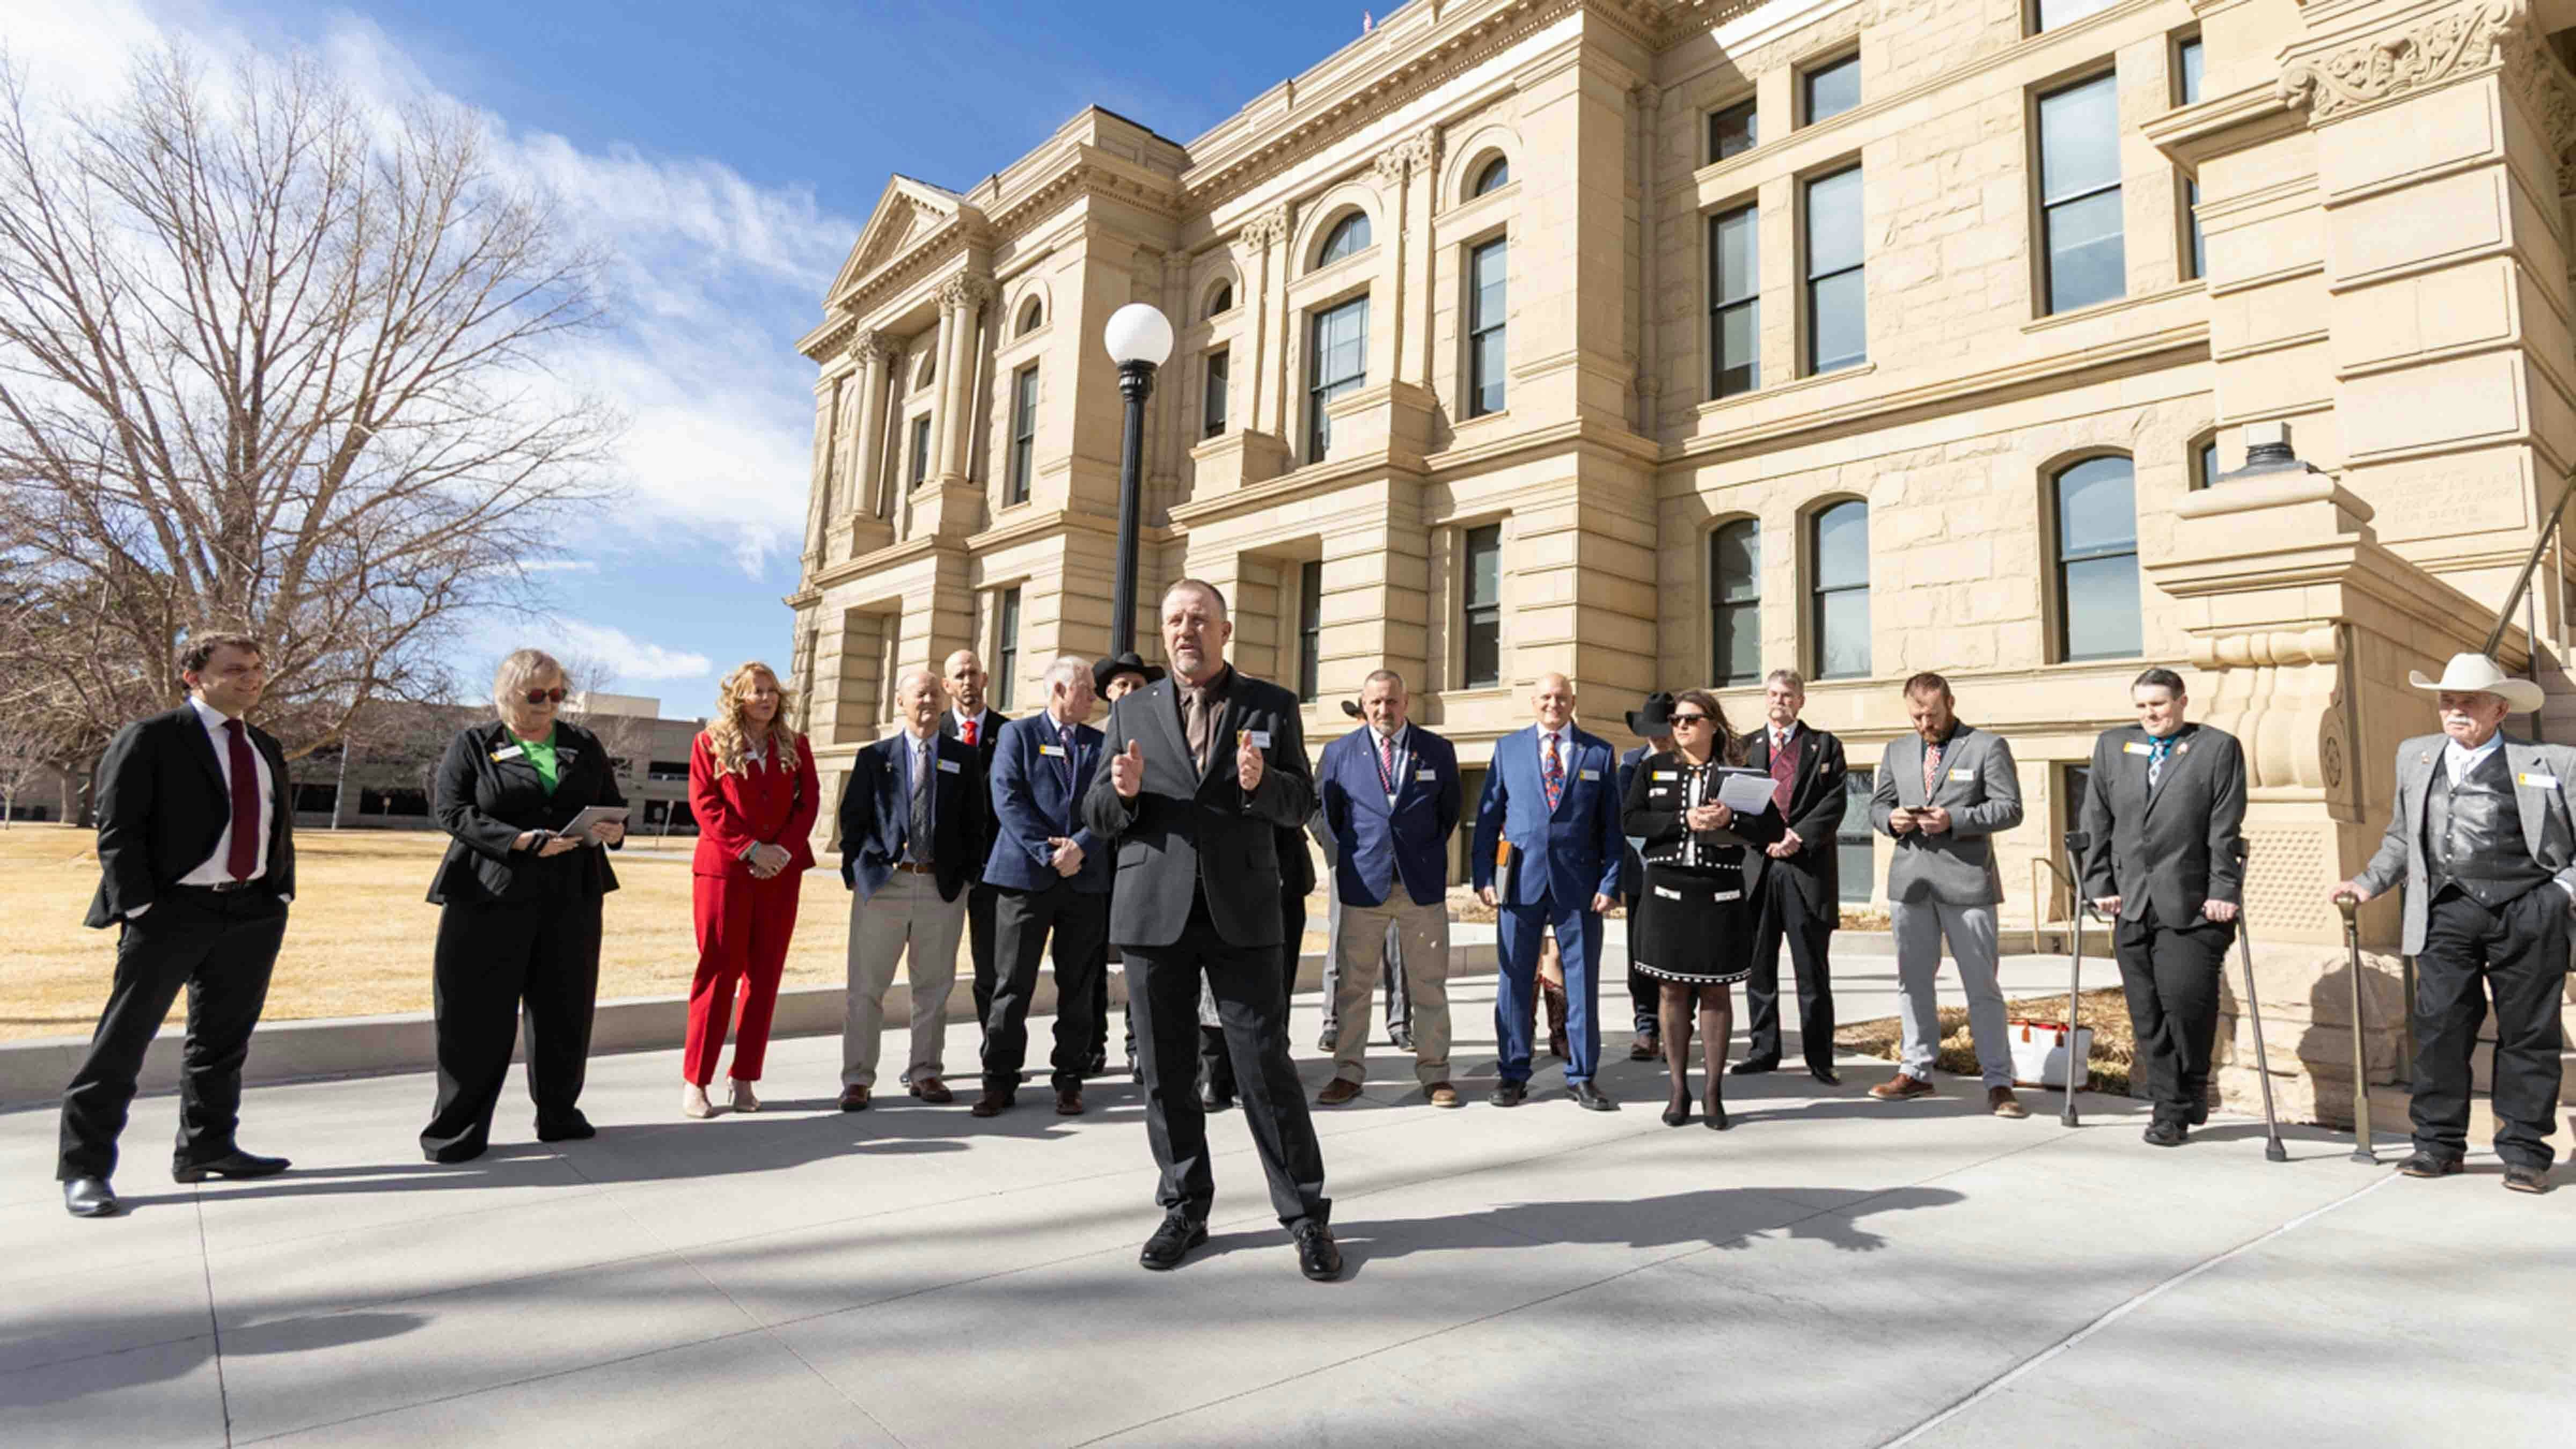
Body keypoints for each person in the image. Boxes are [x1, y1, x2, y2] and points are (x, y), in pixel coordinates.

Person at [1084, 579, 1339, 1280]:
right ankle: (1184, 1208)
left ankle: (1307, 1218)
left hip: (1243, 912)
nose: (1185, 630)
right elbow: (1099, 811)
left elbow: (1300, 803)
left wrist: (1262, 785)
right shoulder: (1131, 708)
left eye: (1199, 619)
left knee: (1265, 1070)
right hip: (1153, 912)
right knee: (1167, 1076)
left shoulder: (1271, 706)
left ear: (1226, 631)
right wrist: (1124, 794)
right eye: (1173, 620)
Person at [58, 632, 296, 1219]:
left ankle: (207, 1147)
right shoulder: (151, 738)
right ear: (193, 677)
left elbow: (274, 826)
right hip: (171, 912)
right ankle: (85, 1168)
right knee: (123, 1041)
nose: (251, 678)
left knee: (222, 1042)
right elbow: (117, 831)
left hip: (251, 912)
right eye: (236, 669)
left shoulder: (264, 745)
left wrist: (279, 893)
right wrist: (141, 907)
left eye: (258, 668)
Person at [2333, 652, 2574, 1195]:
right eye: (2447, 701)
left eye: (2468, 701)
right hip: (2445, 910)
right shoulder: (2415, 756)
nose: (2455, 710)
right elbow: (2402, 837)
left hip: (2529, 910)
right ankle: (2438, 1145)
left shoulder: (2553, 762)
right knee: (2440, 1028)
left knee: (2528, 1036)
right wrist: (2369, 882)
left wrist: (2560, 894)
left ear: (2499, 709)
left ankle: (2525, 1153)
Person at [421, 648, 627, 1162]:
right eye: (537, 695)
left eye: (558, 694)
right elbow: (452, 810)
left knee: (566, 1010)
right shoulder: (474, 744)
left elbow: (614, 804)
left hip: (572, 894)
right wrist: (517, 840)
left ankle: (559, 1114)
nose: (549, 704)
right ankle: (459, 1129)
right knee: (474, 1016)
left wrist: (613, 829)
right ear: (508, 693)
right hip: (490, 893)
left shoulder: (583, 743)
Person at [2079, 668, 2245, 1147]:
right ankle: (2172, 1102)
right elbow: (2097, 819)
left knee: (2186, 1005)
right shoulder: (2114, 747)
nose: (2150, 714)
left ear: (2182, 701)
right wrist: (2099, 883)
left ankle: (2184, 1091)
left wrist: (2223, 891)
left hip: (2193, 904)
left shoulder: (2216, 748)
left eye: (2159, 704)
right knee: (2147, 1013)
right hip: (2131, 901)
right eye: (2142, 706)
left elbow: (2225, 828)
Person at [1867, 672, 2028, 1117]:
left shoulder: (1986, 747)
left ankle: (1998, 1081)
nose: (1925, 724)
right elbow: (1877, 805)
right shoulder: (1896, 751)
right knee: (1913, 982)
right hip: (1911, 884)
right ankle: (1916, 1071)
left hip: (1968, 885)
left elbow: (2009, 807)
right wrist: (1891, 819)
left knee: (1982, 986)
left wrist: (1953, 819)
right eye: (1917, 716)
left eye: (1933, 715)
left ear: (1950, 703)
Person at [1621, 689, 1783, 1128]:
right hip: (1667, 891)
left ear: (1713, 723)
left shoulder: (1738, 776)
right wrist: (1683, 822)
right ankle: (1678, 1089)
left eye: (1691, 719)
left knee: (1716, 990)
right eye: (1676, 720)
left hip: (1720, 891)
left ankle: (1713, 1092)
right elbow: (1631, 820)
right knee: (1671, 991)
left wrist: (1730, 820)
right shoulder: (1653, 768)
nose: (1681, 726)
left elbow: (1771, 827)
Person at [1472, 673, 1626, 1110]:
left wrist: (1610, 883)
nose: (1553, 705)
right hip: (1519, 883)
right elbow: (1487, 818)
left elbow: (1611, 828)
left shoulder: (1598, 752)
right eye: (1545, 697)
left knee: (1580, 983)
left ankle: (1581, 1075)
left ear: (1573, 701)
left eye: (1561, 698)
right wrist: (1483, 875)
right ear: (1533, 702)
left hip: (1580, 887)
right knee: (1514, 982)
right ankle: (1513, 1073)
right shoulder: (1509, 749)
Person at [1315, 670, 1463, 1108]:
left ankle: (1435, 1073)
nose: (1384, 709)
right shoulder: (1339, 753)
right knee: (1354, 986)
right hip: (1362, 886)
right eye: (1376, 702)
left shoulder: (1437, 751)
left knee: (1429, 985)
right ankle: (1348, 1072)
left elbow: (1449, 812)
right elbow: (1323, 812)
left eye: (1392, 701)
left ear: (1406, 702)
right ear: (1364, 704)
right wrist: (1345, 856)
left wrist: (1422, 850)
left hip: (1421, 887)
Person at [838, 669, 983, 1111]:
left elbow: (978, 823)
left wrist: (965, 878)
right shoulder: (873, 757)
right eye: (919, 693)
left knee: (934, 988)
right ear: (900, 701)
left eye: (935, 694)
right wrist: (858, 873)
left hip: (940, 887)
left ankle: (926, 1072)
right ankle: (858, 1079)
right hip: (885, 886)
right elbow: (854, 823)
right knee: (866, 988)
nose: (928, 701)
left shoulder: (965, 757)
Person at [680, 661, 820, 1119]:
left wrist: (780, 850)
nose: (766, 698)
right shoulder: (709, 742)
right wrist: (749, 850)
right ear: (737, 696)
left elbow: (809, 802)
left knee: (765, 978)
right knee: (718, 973)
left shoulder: (796, 745)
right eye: (756, 691)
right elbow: (705, 804)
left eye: (772, 691)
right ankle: (696, 1082)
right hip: (726, 874)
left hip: (782, 872)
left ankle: (744, 1078)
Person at [975, 656, 1111, 1117]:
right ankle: (999, 1079)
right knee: (1011, 984)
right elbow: (1006, 797)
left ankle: (1070, 1078)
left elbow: (1110, 802)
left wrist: (1080, 847)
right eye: (1088, 688)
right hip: (1024, 878)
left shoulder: (1101, 741)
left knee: (1079, 984)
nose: (1096, 697)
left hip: (1085, 880)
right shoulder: (1018, 734)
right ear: (1059, 690)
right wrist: (1047, 851)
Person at [1736, 669, 1851, 1085]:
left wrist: (1797, 837)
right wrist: (1766, 837)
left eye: (1788, 694)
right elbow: (1734, 805)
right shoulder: (1744, 747)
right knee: (1759, 967)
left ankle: (1820, 1058)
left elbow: (1836, 802)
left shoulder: (1826, 746)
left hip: (1806, 868)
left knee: (1812, 971)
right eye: (1773, 694)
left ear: (1801, 701)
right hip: (1758, 869)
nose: (1779, 701)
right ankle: (1763, 1050)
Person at [1319, 697, 1411, 1054]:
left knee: (1398, 950)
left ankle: (1401, 1024)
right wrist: (1338, 850)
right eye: (1360, 714)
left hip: (1397, 868)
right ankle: (1333, 1024)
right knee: (1342, 946)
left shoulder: (1406, 753)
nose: (1366, 720)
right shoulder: (1338, 754)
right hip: (1350, 866)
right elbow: (1318, 805)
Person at [1086, 651, 1163, 1081]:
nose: (1130, 693)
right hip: (1095, 868)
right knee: (1091, 961)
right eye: (1122, 687)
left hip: (1140, 867)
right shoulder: (1091, 737)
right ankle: (1092, 1044)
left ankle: (1138, 1045)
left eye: (1138, 686)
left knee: (1140, 960)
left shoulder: (1155, 737)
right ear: (1108, 695)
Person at [941, 649, 1011, 1036]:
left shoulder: (1010, 733)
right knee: (933, 968)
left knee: (992, 967)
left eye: (974, 674)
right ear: (947, 685)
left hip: (993, 870)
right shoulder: (934, 733)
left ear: (985, 680)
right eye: (959, 676)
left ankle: (995, 1050)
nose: (968, 681)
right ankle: (925, 1061)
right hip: (944, 871)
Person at [1618, 693, 1678, 1060]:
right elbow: (1625, 817)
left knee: (1677, 952)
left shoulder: (1691, 763)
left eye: (1665, 731)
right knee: (1639, 952)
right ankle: (1646, 1026)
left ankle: (1676, 1026)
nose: (1659, 739)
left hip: (1679, 873)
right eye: (1652, 733)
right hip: (1640, 873)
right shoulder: (1628, 765)